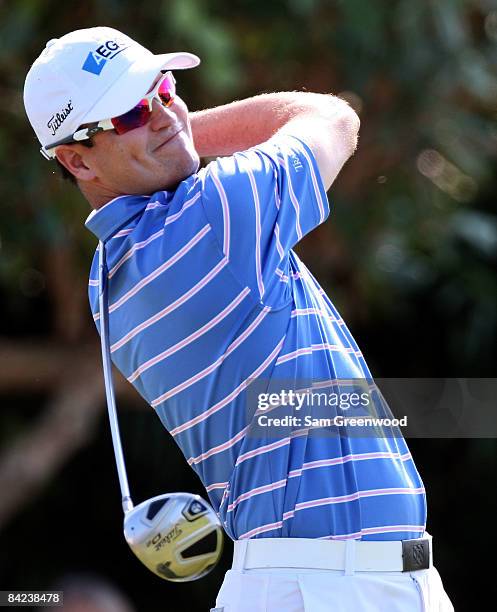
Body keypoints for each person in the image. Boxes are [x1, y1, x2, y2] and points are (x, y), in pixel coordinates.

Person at [24, 27, 453, 612]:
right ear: (76, 160)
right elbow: (330, 117)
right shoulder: (211, 216)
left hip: (320, 580)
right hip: (331, 585)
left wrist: (152, 131)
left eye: (164, 89)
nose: (164, 114)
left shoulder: (108, 273)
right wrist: (180, 128)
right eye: (128, 115)